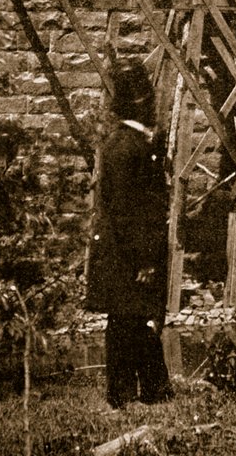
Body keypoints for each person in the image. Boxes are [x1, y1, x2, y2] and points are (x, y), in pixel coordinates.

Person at [84, 61, 173, 408]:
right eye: (146, 96)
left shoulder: (128, 143)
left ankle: (150, 390)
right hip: (129, 254)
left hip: (127, 252)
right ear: (140, 102)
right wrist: (144, 259)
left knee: (132, 321)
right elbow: (126, 212)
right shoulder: (129, 147)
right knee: (130, 322)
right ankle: (131, 392)